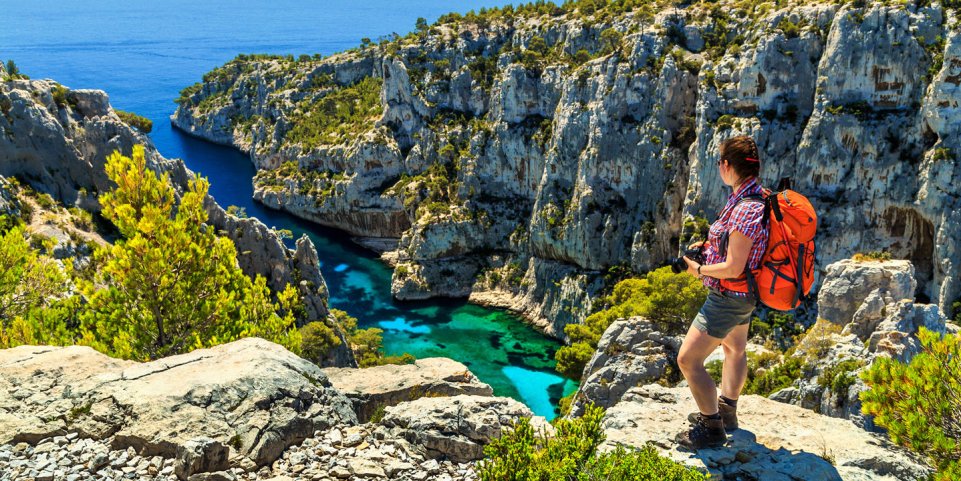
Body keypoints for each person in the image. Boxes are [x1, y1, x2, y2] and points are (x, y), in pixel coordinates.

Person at [674, 135, 769, 450]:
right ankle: (727, 410)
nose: (717, 168)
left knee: (688, 360)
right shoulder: (753, 196)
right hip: (744, 296)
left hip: (728, 296)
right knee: (735, 349)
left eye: (719, 162)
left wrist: (697, 270)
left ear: (728, 165)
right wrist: (708, 247)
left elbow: (733, 267)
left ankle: (711, 426)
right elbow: (736, 246)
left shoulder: (746, 208)